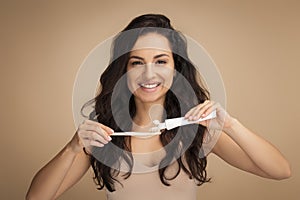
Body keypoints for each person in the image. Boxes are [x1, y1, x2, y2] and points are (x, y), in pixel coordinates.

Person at [26, 14, 291, 200]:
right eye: (137, 62)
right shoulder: (103, 137)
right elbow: (36, 197)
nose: (149, 73)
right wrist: (73, 148)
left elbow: (280, 171)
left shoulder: (193, 131)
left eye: (161, 61)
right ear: (124, 71)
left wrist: (230, 125)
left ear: (176, 68)